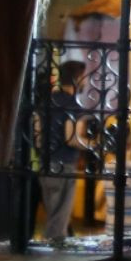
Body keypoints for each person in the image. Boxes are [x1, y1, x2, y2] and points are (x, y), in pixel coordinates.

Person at [34, 60, 86, 244]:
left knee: (52, 213)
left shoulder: (46, 102)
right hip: (64, 165)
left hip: (45, 163)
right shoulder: (73, 105)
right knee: (59, 221)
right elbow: (70, 138)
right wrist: (91, 145)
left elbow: (37, 135)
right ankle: (52, 259)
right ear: (78, 79)